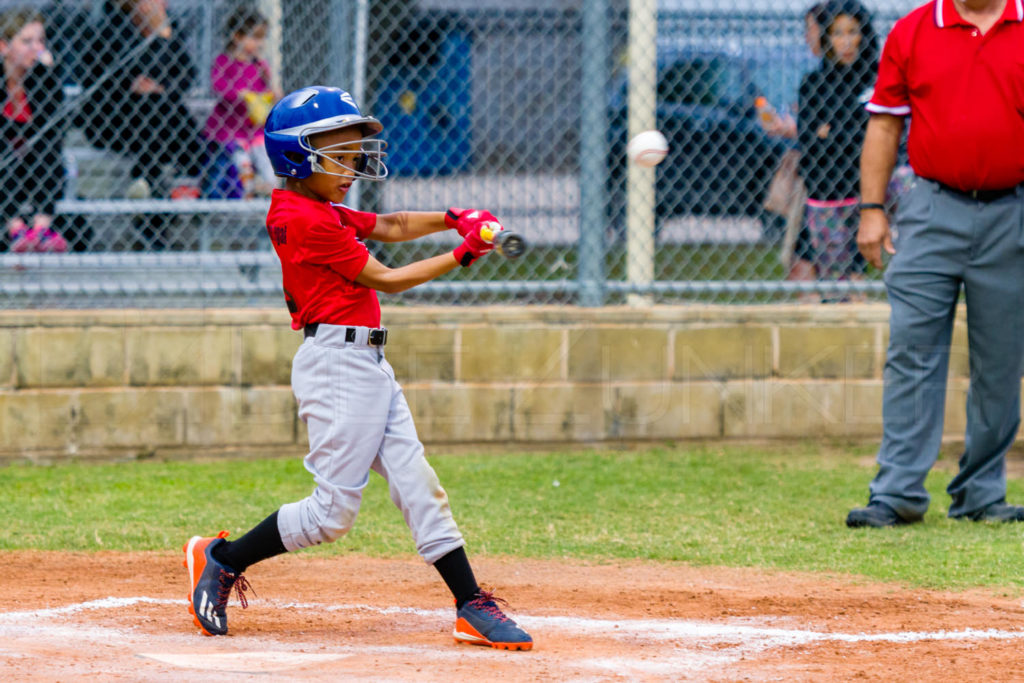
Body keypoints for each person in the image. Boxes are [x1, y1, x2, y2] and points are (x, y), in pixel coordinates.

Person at [182, 86, 533, 651]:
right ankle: (221, 559)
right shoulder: (306, 219)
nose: (351, 166)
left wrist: (455, 217)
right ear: (299, 156)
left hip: (365, 362)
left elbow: (390, 225)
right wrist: (464, 253)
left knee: (419, 486)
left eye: (351, 153)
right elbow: (387, 277)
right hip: (336, 368)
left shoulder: (319, 205)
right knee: (330, 516)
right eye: (337, 155)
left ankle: (470, 604)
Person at [848, 0, 1024, 527]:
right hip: (929, 208)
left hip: (1013, 211)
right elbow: (883, 126)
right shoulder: (913, 31)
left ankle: (981, 495)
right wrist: (872, 210)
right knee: (913, 351)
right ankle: (898, 492)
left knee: (1000, 363)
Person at [77, 1, 203, 202]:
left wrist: (162, 87)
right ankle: (178, 180)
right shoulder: (114, 29)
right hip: (111, 118)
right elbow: (133, 74)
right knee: (156, 108)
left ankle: (147, 184)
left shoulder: (169, 27)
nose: (163, 4)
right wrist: (162, 40)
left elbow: (187, 75)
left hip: (158, 119)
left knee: (158, 107)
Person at [796, 0, 879, 293]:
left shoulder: (877, 79)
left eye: (853, 32)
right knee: (840, 285)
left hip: (871, 194)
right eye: (838, 33)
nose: (846, 42)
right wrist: (847, 133)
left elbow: (874, 135)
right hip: (829, 194)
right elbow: (809, 142)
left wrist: (831, 133)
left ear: (864, 34)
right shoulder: (814, 83)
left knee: (876, 275)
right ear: (827, 38)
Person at [0, 8, 67, 253]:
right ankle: (16, 228)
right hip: (5, 163)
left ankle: (41, 229)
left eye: (40, 41)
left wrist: (48, 74)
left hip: (34, 163)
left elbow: (52, 124)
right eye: (27, 41)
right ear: (4, 46)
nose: (36, 48)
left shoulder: (42, 78)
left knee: (47, 145)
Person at [202, 4, 281, 198]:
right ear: (237, 37)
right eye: (254, 38)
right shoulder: (224, 61)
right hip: (229, 129)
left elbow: (267, 88)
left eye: (262, 38)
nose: (260, 44)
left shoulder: (259, 65)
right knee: (240, 160)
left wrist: (274, 93)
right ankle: (247, 190)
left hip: (253, 127)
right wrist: (239, 94)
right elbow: (218, 86)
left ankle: (270, 187)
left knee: (266, 156)